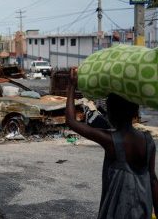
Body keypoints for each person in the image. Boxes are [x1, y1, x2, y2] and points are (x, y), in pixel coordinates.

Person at [65, 69, 158, 218]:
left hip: (118, 211)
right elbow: (153, 179)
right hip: (142, 209)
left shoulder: (110, 140)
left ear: (113, 113)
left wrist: (71, 87)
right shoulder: (148, 141)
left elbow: (71, 121)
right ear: (135, 112)